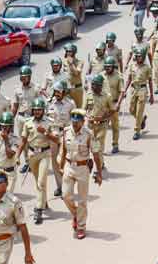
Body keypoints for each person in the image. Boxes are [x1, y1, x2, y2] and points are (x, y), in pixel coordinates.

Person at [56, 109, 102, 240]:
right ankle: (76, 214)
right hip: (69, 166)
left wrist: (99, 173)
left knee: (82, 200)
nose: (75, 124)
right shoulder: (66, 131)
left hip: (82, 168)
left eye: (77, 122)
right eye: (73, 121)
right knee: (65, 195)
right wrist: (60, 166)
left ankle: (81, 226)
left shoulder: (88, 134)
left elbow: (96, 153)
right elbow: (64, 148)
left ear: (83, 122)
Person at [16, 98, 59, 224]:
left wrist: (45, 132)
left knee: (41, 182)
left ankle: (38, 209)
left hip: (45, 154)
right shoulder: (28, 123)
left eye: (39, 110)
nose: (37, 112)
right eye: (35, 110)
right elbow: (23, 141)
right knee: (38, 181)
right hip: (32, 155)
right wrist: (17, 157)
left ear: (43, 111)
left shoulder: (49, 122)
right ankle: (44, 202)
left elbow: (56, 140)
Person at [47, 80, 75, 198]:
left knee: (64, 161)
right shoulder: (50, 103)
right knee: (54, 162)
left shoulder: (70, 104)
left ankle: (67, 186)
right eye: (55, 91)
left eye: (59, 91)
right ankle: (60, 186)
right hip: (53, 134)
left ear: (64, 92)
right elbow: (46, 119)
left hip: (65, 135)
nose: (57, 93)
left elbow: (75, 121)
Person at [119, 47, 154, 139]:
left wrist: (151, 95)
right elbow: (129, 79)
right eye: (137, 56)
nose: (138, 58)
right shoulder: (132, 66)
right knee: (131, 110)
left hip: (142, 90)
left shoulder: (147, 68)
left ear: (143, 57)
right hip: (133, 89)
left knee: (139, 111)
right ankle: (142, 119)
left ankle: (137, 130)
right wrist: (124, 91)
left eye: (140, 56)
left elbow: (150, 81)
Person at [82, 74, 112, 174]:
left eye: (96, 85)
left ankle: (98, 166)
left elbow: (112, 110)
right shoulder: (88, 95)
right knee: (91, 146)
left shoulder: (107, 96)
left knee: (98, 147)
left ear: (101, 86)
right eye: (93, 84)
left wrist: (103, 117)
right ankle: (100, 162)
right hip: (91, 125)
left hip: (102, 125)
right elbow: (83, 110)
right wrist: (86, 117)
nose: (94, 87)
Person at [12, 65, 38, 174]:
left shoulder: (36, 88)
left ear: (30, 77)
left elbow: (40, 105)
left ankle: (34, 161)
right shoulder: (17, 89)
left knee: (33, 141)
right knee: (24, 142)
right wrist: (10, 119)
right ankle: (27, 162)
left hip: (32, 117)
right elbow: (15, 105)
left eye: (25, 77)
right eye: (22, 77)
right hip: (21, 118)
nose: (23, 79)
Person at [100, 57, 123, 154]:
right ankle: (101, 147)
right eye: (106, 67)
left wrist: (118, 104)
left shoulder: (118, 76)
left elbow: (122, 91)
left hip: (113, 103)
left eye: (109, 67)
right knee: (102, 126)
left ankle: (115, 144)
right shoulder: (101, 75)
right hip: (103, 104)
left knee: (115, 125)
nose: (107, 68)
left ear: (113, 67)